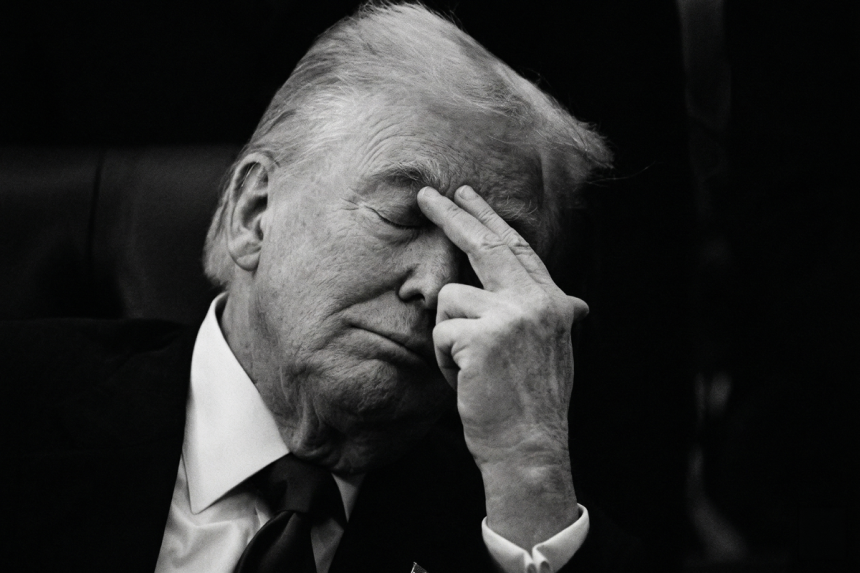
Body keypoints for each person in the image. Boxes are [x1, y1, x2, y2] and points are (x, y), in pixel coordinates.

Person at [6, 4, 647, 572]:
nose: (435, 286)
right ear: (255, 213)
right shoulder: (21, 400)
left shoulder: (527, 519)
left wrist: (528, 470)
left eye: (488, 253)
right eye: (403, 216)